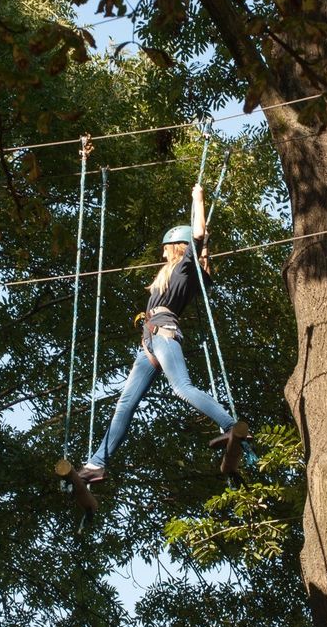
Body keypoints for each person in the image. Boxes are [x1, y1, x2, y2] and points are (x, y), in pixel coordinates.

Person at [76, 183, 248, 484]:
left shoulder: (183, 268)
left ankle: (230, 424)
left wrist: (198, 199)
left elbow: (198, 236)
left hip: (163, 334)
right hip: (150, 343)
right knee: (125, 404)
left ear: (176, 248)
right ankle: (96, 464)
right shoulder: (185, 272)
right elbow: (203, 256)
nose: (162, 253)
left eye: (166, 248)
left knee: (181, 387)